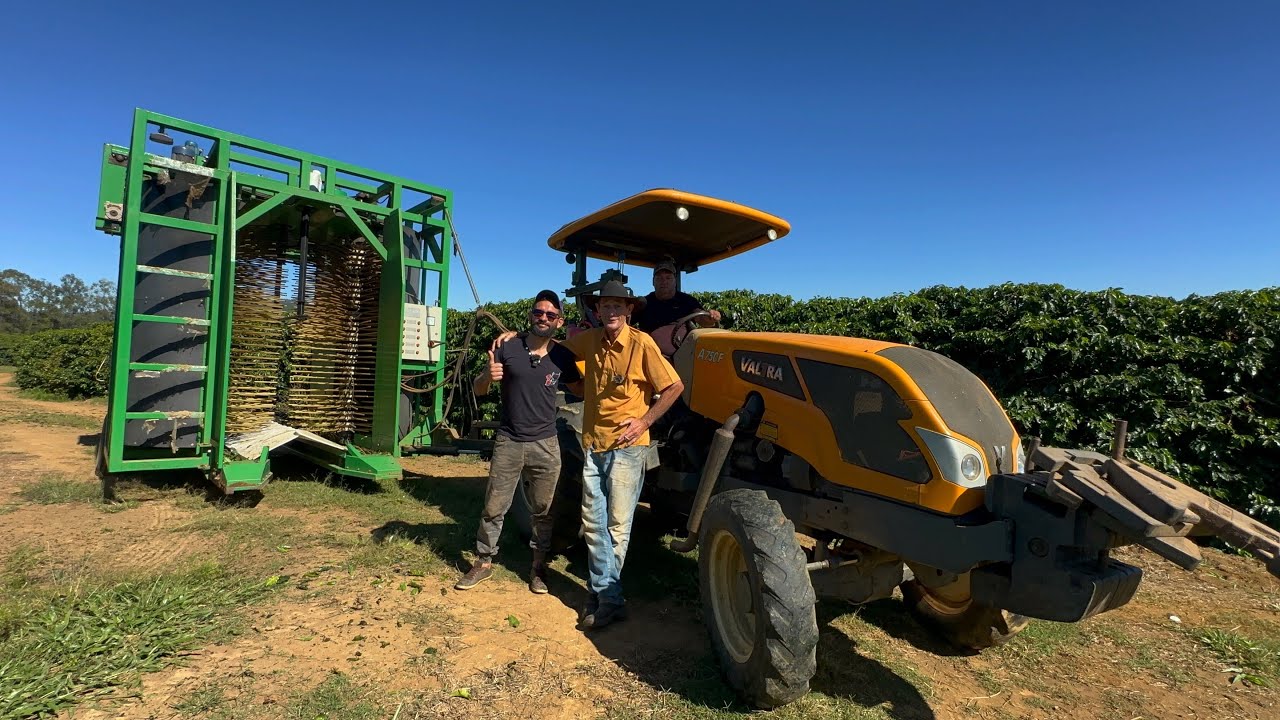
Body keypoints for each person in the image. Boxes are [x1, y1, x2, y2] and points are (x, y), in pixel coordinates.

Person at [558, 280, 685, 629]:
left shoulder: (642, 344)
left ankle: (605, 597)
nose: (610, 311)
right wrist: (570, 382)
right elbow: (557, 353)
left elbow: (674, 386)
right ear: (597, 311)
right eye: (605, 306)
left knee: (617, 525)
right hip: (593, 444)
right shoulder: (590, 340)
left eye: (618, 306)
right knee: (593, 523)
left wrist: (644, 420)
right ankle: (607, 595)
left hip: (629, 448)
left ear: (629, 310)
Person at [455, 290, 582, 594]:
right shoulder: (507, 346)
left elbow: (582, 388)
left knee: (544, 509)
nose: (544, 318)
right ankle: (483, 562)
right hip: (509, 440)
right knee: (494, 505)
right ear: (531, 316)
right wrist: (487, 374)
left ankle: (539, 567)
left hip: (546, 444)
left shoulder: (563, 355)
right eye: (539, 313)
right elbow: (480, 389)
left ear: (559, 321)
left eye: (551, 315)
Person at [631, 261, 721, 333]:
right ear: (653, 282)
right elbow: (627, 323)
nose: (664, 281)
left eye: (668, 278)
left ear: (675, 281)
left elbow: (702, 319)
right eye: (659, 278)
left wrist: (711, 317)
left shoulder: (688, 301)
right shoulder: (643, 303)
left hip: (683, 352)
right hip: (649, 352)